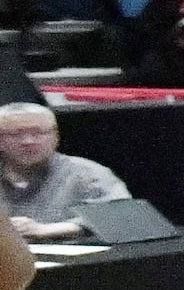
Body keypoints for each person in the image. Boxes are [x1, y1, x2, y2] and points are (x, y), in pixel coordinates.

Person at [1, 101, 135, 238]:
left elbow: (122, 217)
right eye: (15, 135)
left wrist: (45, 230)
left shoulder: (86, 173)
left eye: (38, 133)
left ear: (55, 137)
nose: (28, 141)